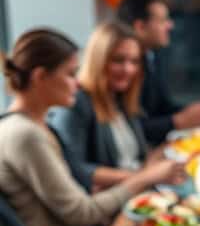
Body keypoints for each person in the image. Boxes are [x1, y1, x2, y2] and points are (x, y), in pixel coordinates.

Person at [0, 28, 186, 226]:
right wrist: (142, 179)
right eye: (70, 74)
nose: (77, 83)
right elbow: (82, 212)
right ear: (40, 77)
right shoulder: (26, 135)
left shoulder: (32, 127)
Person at [51, 20, 160, 192]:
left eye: (134, 61)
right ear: (98, 60)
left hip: (137, 191)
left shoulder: (121, 98)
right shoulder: (76, 102)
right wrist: (143, 177)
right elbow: (73, 168)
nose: (128, 69)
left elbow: (137, 156)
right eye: (118, 60)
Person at [116, 0, 200, 142]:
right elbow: (129, 128)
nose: (170, 25)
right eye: (163, 21)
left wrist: (197, 113)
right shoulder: (124, 71)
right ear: (140, 27)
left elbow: (162, 107)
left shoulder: (152, 56)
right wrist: (177, 121)